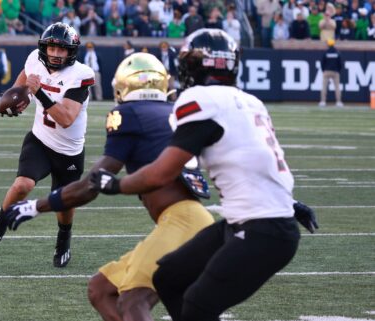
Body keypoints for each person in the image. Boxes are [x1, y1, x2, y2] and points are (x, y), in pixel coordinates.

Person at [91, 29, 318, 321]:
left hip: (262, 229)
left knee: (198, 306)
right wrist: (290, 202)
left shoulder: (199, 99)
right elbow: (252, 160)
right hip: (249, 220)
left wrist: (117, 184)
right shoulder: (249, 102)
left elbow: (163, 172)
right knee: (168, 278)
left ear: (195, 65)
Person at [1, 52, 215, 321]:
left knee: (132, 300)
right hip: (198, 222)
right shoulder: (174, 112)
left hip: (181, 223)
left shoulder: (128, 113)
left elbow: (91, 186)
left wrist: (36, 206)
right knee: (101, 288)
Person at [0, 22, 95, 269]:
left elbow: (66, 118)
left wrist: (38, 94)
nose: (56, 54)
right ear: (44, 47)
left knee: (64, 201)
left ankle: (63, 240)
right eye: (52, 48)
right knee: (22, 184)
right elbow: (23, 81)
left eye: (62, 50)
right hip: (40, 138)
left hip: (68, 149)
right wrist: (20, 96)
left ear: (71, 52)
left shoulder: (81, 75)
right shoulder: (34, 59)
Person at [319, 39, 343, 107]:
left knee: (324, 87)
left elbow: (322, 63)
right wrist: (338, 70)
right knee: (337, 87)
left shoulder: (326, 52)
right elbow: (340, 63)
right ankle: (338, 102)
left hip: (327, 71)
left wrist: (323, 70)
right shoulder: (337, 52)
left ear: (328, 44)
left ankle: (323, 101)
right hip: (335, 71)